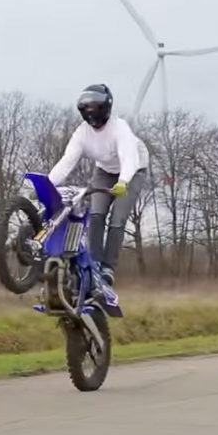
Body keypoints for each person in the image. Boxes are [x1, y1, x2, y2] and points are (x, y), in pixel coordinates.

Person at [47, 84, 150, 287]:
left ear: (105, 106)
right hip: (104, 171)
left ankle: (108, 268)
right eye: (86, 107)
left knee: (117, 219)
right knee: (96, 214)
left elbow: (129, 158)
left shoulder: (119, 128)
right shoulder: (82, 133)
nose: (90, 111)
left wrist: (123, 181)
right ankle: (94, 264)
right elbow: (67, 161)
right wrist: (48, 184)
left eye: (94, 106)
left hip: (133, 171)